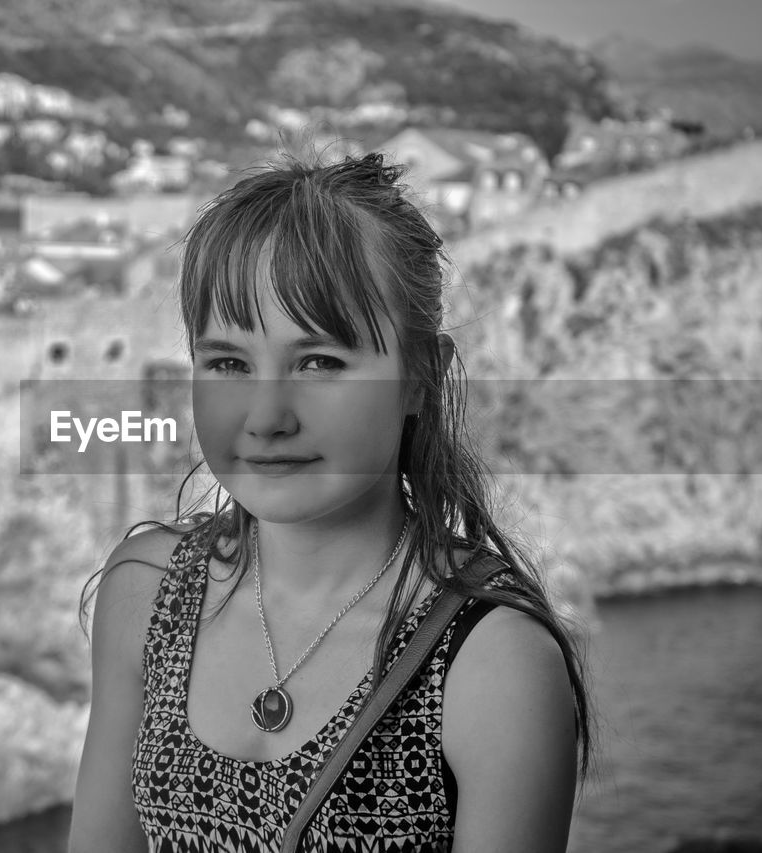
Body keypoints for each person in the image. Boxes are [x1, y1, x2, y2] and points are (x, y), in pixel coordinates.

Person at [68, 153, 591, 852]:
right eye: (227, 364)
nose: (266, 418)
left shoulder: (494, 664)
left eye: (320, 363)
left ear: (419, 378)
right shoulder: (146, 592)